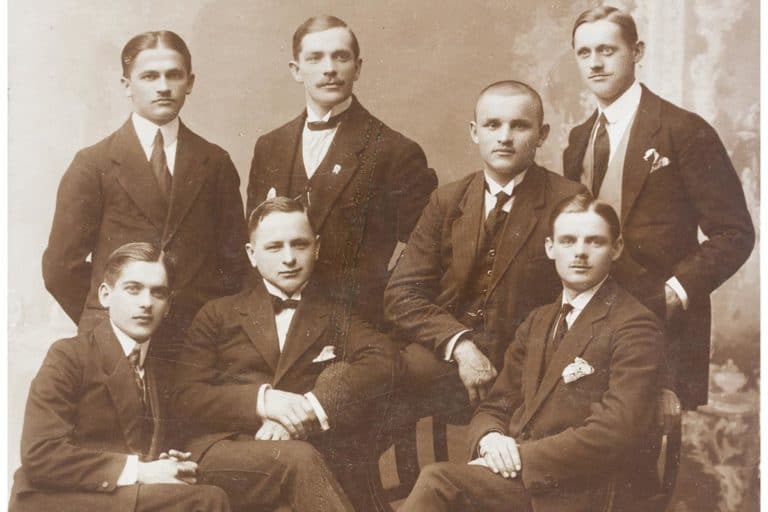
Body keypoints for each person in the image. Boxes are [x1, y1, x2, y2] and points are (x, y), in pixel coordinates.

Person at [400, 193, 664, 512]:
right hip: (521, 482)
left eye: (595, 242)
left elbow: (616, 431)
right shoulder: (539, 321)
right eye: (568, 241)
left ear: (617, 248)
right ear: (550, 248)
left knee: (439, 483)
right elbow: (495, 405)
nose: (580, 252)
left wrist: (521, 459)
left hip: (584, 491)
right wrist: (490, 440)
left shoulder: (634, 324)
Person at [564, 6, 754, 409]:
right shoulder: (579, 138)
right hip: (592, 322)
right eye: (584, 53)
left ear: (637, 51)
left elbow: (735, 233)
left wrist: (674, 292)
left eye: (607, 50)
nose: (595, 63)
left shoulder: (684, 130)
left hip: (662, 325)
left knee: (637, 454)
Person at [174, 196, 400, 512]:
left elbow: (383, 358)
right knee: (298, 459)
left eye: (300, 245)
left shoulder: (334, 314)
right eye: (275, 247)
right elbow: (187, 396)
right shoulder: (217, 314)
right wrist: (266, 402)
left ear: (317, 247)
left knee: (302, 471)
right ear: (252, 255)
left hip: (301, 447)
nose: (290, 258)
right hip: (223, 450)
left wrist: (307, 410)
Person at [42, 30, 249, 360]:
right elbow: (59, 267)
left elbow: (236, 263)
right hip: (114, 343)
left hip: (196, 342)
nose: (163, 86)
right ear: (127, 85)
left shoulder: (214, 163)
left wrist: (212, 324)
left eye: (174, 75)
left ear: (190, 82)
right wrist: (109, 316)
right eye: (150, 76)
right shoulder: (93, 164)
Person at [385, 81, 585, 419]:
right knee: (380, 384)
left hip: (527, 364)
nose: (504, 137)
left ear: (542, 134)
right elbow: (402, 293)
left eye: (519, 125)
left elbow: (584, 295)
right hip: (449, 354)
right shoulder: (447, 200)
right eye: (493, 125)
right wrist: (460, 345)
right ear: (475, 133)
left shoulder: (568, 201)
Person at [246, 15, 437, 327]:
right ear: (296, 70)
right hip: (274, 321)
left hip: (356, 321)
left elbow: (426, 251)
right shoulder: (270, 146)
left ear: (357, 68)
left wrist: (380, 296)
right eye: (315, 58)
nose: (329, 68)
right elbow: (254, 238)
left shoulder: (394, 150)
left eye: (340, 56)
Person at [10, 243, 230, 512]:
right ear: (105, 295)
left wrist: (164, 460)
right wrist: (141, 471)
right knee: (207, 501)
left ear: (169, 305)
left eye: (158, 293)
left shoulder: (161, 367)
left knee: (206, 489)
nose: (146, 303)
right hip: (57, 498)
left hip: (113, 495)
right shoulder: (69, 356)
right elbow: (40, 453)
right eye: (133, 289)